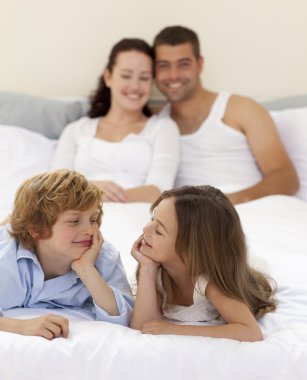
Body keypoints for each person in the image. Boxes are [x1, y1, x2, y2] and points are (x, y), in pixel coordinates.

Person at [153, 25, 299, 204]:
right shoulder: (156, 123)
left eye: (183, 64)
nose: (173, 75)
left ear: (199, 64)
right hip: (193, 220)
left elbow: (287, 178)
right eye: (163, 66)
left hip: (252, 208)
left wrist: (224, 203)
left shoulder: (240, 108)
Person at [130, 185, 277, 341]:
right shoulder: (157, 270)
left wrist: (175, 330)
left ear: (190, 249)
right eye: (152, 219)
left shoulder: (209, 284)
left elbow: (251, 332)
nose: (145, 228)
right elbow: (143, 326)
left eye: (159, 231)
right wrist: (147, 268)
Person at [0, 169, 134, 340]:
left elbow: (122, 316)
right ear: (37, 230)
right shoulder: (7, 260)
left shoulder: (104, 256)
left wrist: (86, 268)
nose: (89, 230)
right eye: (74, 221)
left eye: (93, 219)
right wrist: (22, 326)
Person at [52, 38, 180, 203]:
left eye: (144, 78)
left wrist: (96, 196)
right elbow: (55, 188)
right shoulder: (76, 130)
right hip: (76, 219)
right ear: (108, 77)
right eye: (126, 76)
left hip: (134, 217)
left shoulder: (163, 128)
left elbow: (160, 191)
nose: (135, 86)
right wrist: (93, 190)